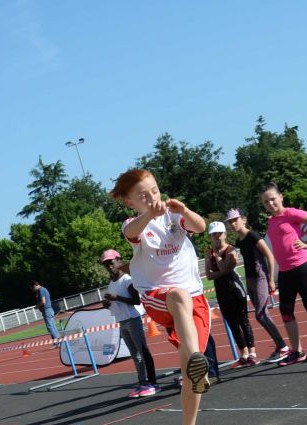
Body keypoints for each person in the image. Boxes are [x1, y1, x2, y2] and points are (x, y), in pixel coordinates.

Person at [109, 169, 210, 425]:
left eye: (154, 190)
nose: (152, 197)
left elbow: (200, 226)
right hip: (158, 295)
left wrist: (184, 211)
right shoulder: (135, 224)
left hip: (195, 297)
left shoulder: (174, 215)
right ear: (131, 202)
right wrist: (148, 214)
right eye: (143, 196)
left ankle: (190, 415)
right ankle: (196, 357)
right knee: (177, 295)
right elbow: (131, 231)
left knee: (191, 375)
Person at [260, 182, 307, 366]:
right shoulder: (271, 220)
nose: (271, 204)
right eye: (266, 202)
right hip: (285, 271)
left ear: (280, 197)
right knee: (285, 310)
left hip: (301, 265)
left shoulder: (290, 213)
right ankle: (297, 351)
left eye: (273, 199)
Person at [225, 208, 290, 363]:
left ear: (244, 219)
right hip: (250, 279)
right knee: (263, 315)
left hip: (261, 277)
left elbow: (269, 254)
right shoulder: (239, 241)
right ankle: (280, 346)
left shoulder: (253, 236)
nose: (233, 224)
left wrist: (271, 279)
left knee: (260, 314)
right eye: (230, 222)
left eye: (235, 220)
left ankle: (283, 346)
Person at [99, 249, 159, 398]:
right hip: (122, 321)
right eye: (106, 265)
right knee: (135, 354)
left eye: (111, 263)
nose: (109, 267)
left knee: (143, 350)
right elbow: (115, 300)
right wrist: (107, 303)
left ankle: (153, 382)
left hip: (133, 318)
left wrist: (117, 297)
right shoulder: (111, 283)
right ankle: (142, 382)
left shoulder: (127, 280)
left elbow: (136, 301)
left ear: (119, 261)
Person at [206, 221, 258, 367]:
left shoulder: (231, 250)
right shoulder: (208, 252)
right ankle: (244, 353)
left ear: (225, 234)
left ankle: (252, 353)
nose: (217, 237)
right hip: (221, 291)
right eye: (213, 234)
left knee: (243, 321)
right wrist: (218, 268)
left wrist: (217, 258)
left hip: (235, 289)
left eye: (219, 234)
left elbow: (225, 269)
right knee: (232, 324)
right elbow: (209, 275)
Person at [30, 280, 61, 346]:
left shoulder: (41, 290)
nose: (33, 290)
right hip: (48, 310)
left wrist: (37, 306)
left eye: (32, 288)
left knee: (50, 326)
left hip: (47, 310)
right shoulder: (43, 289)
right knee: (52, 325)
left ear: (35, 286)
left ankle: (57, 342)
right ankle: (57, 341)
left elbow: (43, 301)